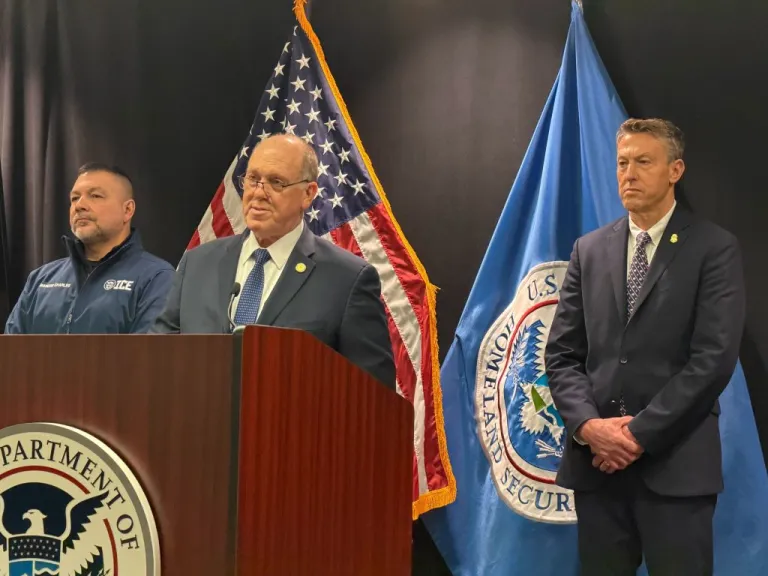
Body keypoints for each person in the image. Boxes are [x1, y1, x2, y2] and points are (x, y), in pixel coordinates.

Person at [545, 118, 745, 575]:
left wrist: (636, 435)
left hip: (675, 470)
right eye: (621, 163)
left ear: (675, 170)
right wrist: (589, 428)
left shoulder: (714, 249)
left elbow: (712, 361)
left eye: (642, 162)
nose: (628, 174)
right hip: (597, 469)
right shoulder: (589, 250)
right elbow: (561, 356)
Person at [151, 134, 395, 389]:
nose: (258, 193)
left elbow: (373, 396)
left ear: (308, 193)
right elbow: (156, 357)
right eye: (253, 179)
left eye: (276, 182)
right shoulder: (197, 264)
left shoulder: (347, 280)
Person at [4, 163, 174, 334]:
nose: (80, 205)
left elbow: (150, 356)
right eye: (74, 198)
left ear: (127, 210)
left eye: (95, 196)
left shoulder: (156, 278)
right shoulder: (41, 279)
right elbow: (10, 353)